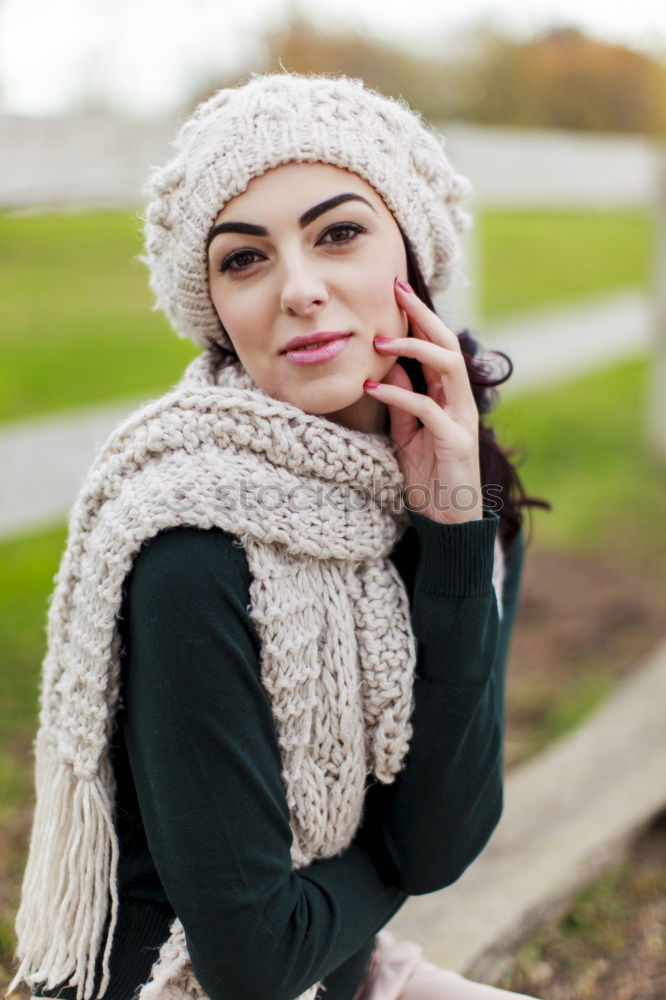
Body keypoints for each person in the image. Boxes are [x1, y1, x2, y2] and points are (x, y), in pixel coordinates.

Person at [6, 72, 546, 1000]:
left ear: (410, 256)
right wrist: (400, 851)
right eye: (244, 259)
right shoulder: (189, 546)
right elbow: (254, 961)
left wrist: (455, 539)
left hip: (351, 969)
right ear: (213, 305)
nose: (298, 290)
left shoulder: (469, 490)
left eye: (338, 234)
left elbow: (449, 838)